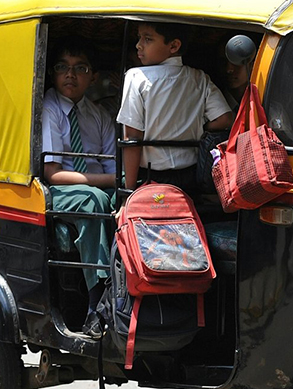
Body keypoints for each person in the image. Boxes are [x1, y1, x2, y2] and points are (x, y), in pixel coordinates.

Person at [41, 38, 117, 317]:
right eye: (63, 67)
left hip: (97, 187)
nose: (70, 75)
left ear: (93, 77)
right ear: (53, 73)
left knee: (130, 201)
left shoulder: (98, 116)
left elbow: (112, 168)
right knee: (94, 200)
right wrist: (111, 183)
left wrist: (118, 185)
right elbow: (54, 174)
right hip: (59, 190)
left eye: (80, 68)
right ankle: (97, 300)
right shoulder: (49, 109)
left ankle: (128, 284)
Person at [117, 22, 233, 196]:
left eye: (148, 39)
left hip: (150, 178)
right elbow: (225, 118)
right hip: (192, 178)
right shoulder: (199, 78)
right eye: (139, 37)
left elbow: (132, 138)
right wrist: (199, 130)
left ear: (174, 46)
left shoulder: (136, 77)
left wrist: (129, 192)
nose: (138, 45)